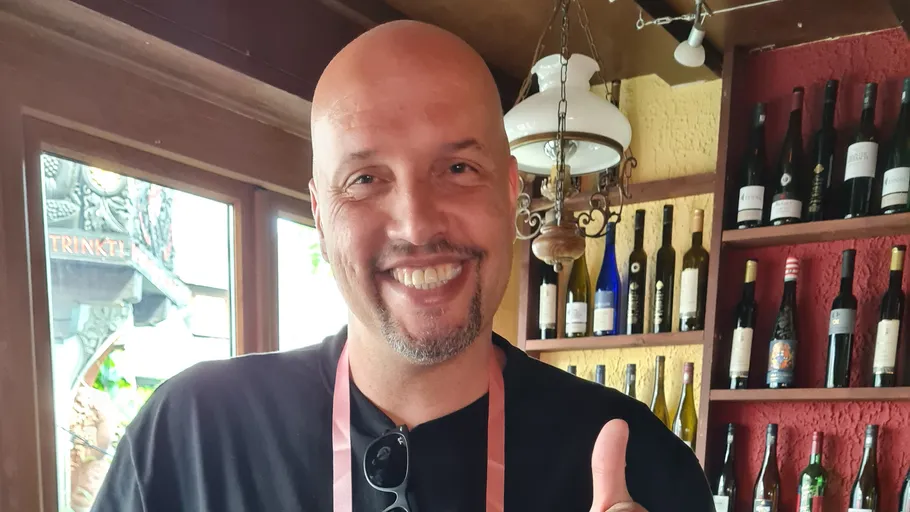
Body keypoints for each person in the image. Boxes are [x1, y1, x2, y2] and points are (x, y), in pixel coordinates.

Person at [92, 20, 713, 512]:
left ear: (508, 193)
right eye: (365, 179)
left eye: (459, 169)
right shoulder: (192, 436)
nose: (417, 224)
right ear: (319, 210)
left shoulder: (636, 462)